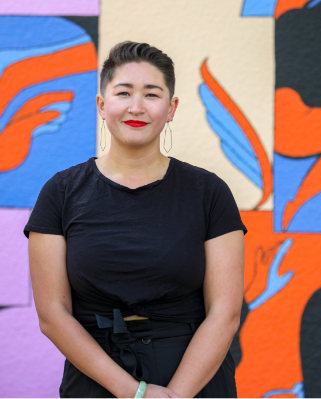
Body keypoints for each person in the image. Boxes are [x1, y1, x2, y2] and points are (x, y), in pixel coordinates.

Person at [25, 41, 246, 398]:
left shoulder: (210, 193)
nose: (136, 107)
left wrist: (175, 394)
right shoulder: (60, 193)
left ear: (171, 108)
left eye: (152, 94)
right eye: (123, 92)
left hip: (194, 375)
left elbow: (225, 313)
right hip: (98, 376)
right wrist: (133, 392)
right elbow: (53, 315)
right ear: (101, 105)